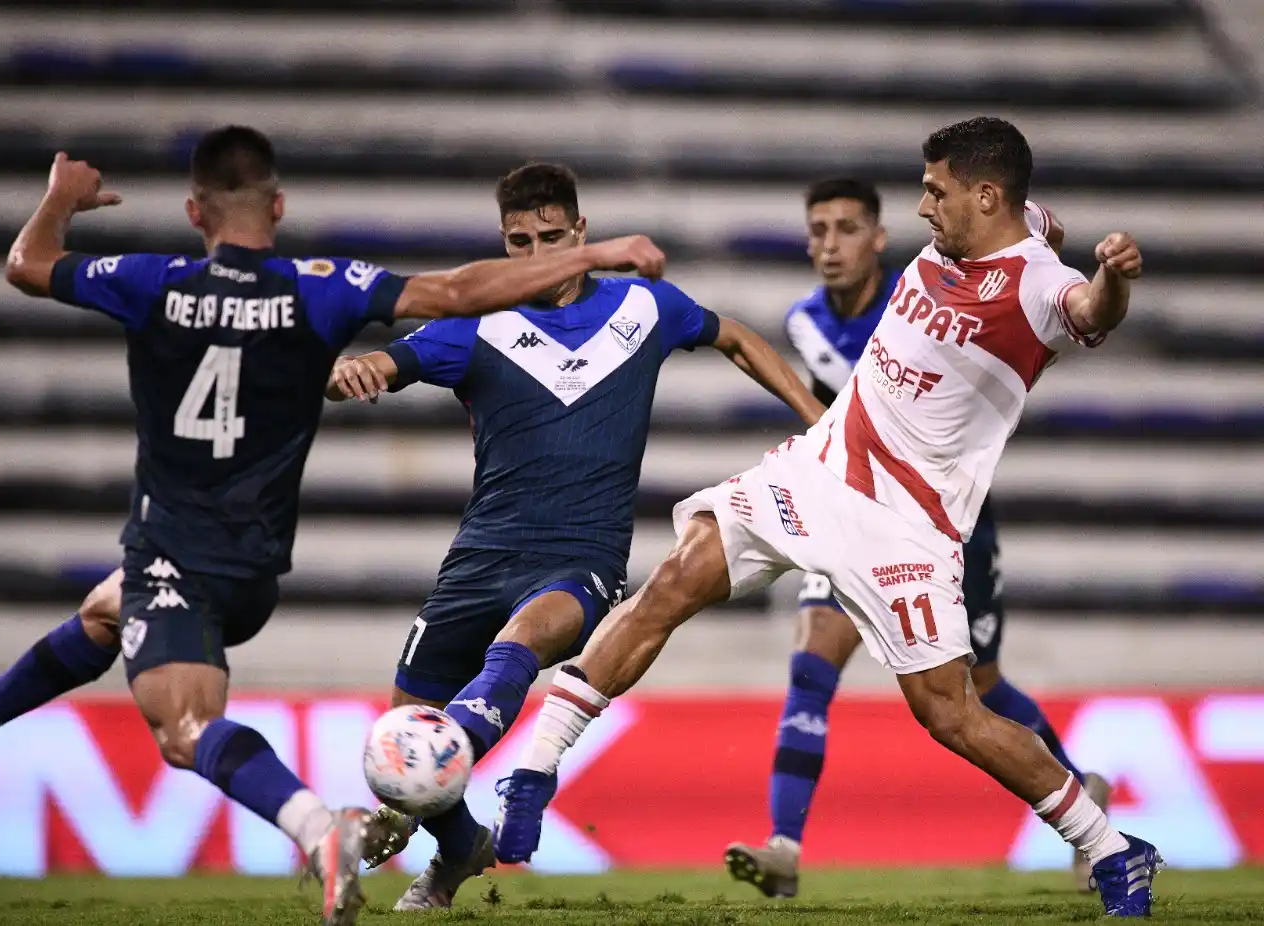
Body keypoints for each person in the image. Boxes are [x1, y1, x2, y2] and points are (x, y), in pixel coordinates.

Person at [0, 128, 666, 924]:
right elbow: (454, 293)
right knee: (109, 610)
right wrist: (588, 255)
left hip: (177, 544)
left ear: (191, 211)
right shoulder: (321, 286)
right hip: (258, 561)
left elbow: (27, 266)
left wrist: (60, 202)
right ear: (278, 205)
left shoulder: (151, 281)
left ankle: (319, 831)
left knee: (185, 730)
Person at [491, 118, 1163, 918]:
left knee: (950, 711)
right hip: (819, 467)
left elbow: (1093, 308)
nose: (921, 207)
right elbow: (1039, 215)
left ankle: (1113, 849)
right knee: (678, 576)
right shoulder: (1002, 222)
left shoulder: (1038, 286)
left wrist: (1114, 274)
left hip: (904, 523)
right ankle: (535, 767)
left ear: (984, 197)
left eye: (935, 191)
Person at [323, 162, 826, 909]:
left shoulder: (643, 308)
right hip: (478, 557)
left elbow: (736, 338)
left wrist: (817, 423)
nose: (537, 257)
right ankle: (459, 849)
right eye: (519, 243)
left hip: (578, 558)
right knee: (402, 717)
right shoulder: (473, 329)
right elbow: (382, 364)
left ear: (581, 234)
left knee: (515, 652)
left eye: (552, 237)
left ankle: (431, 780)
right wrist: (354, 370)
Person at [724, 179, 1108, 898]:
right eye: (817, 230)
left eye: (845, 229)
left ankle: (1080, 791)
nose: (829, 245)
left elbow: (1028, 260)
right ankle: (784, 849)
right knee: (811, 663)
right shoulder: (804, 322)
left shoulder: (924, 298)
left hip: (944, 526)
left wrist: (1047, 236)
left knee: (978, 690)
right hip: (851, 515)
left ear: (878, 240)